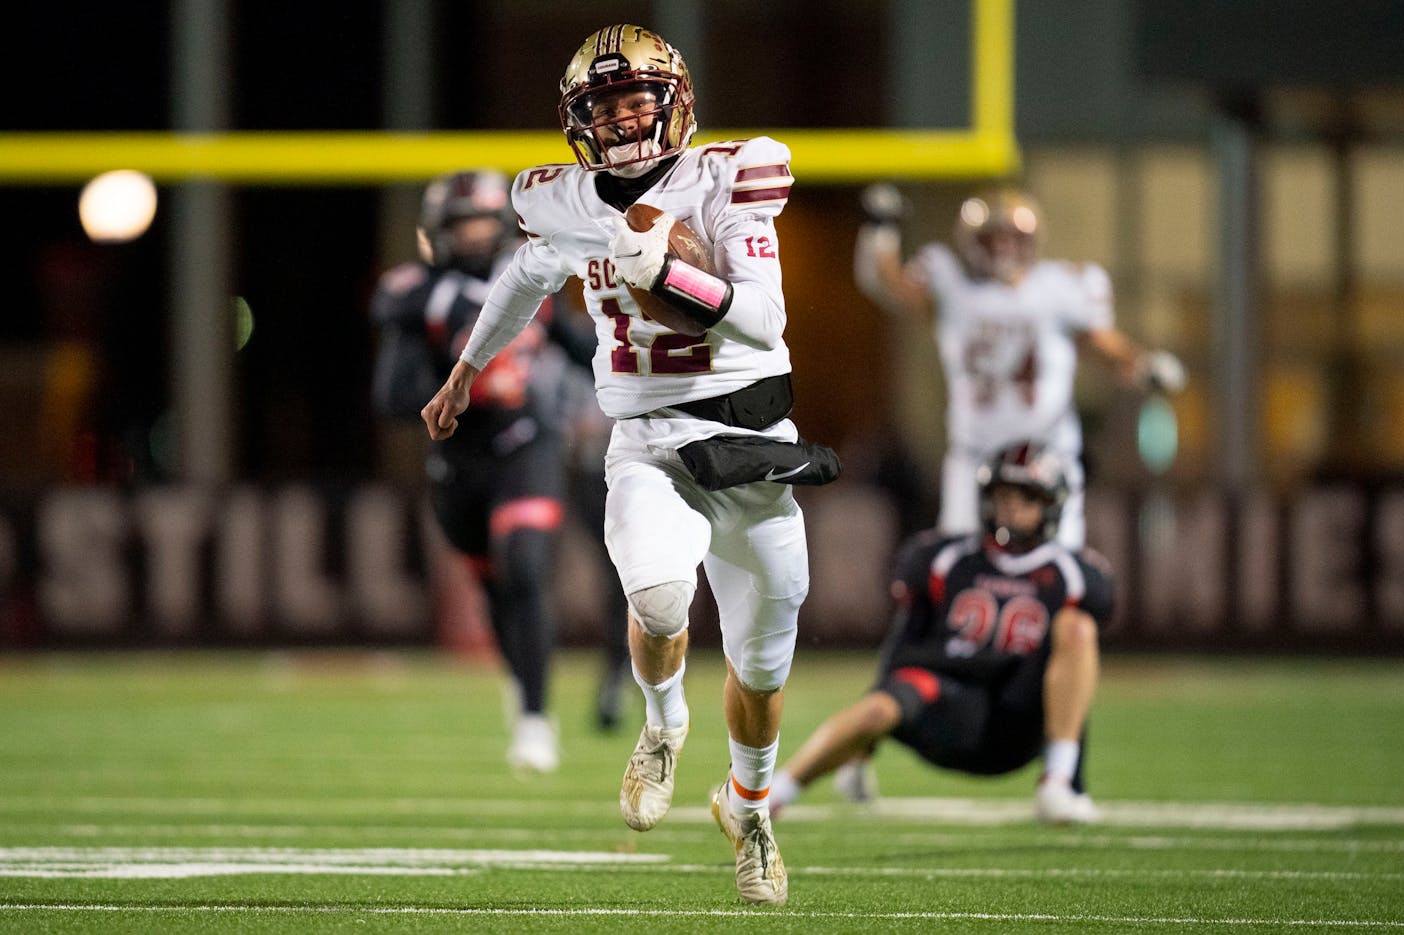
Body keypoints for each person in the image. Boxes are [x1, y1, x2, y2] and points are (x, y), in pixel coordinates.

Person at [419, 24, 838, 905]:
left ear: (674, 101)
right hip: (648, 438)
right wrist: (466, 368)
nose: (620, 119)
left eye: (636, 101)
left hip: (752, 445)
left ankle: (750, 807)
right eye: (602, 107)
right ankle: (661, 725)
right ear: (579, 121)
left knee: (762, 669)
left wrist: (669, 271)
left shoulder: (726, 176)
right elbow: (528, 274)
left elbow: (762, 321)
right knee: (655, 596)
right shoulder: (564, 200)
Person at [767, 441, 1115, 825]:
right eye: (1003, 494)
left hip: (1017, 713)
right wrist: (871, 732)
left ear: (1050, 504)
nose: (1012, 506)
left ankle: (1059, 781)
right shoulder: (948, 558)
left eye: (1027, 496)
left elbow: (1074, 672)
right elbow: (904, 641)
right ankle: (770, 796)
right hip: (948, 694)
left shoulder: (1073, 573)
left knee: (1077, 628)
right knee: (878, 707)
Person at [371, 169, 575, 774]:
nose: (475, 234)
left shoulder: (531, 275)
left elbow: (578, 344)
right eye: (462, 224)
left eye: (484, 220)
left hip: (526, 443)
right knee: (495, 584)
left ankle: (536, 718)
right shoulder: (421, 297)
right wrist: (470, 387)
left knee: (526, 565)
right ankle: (522, 684)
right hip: (459, 459)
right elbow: (391, 395)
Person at [854, 183, 1187, 550]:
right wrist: (880, 232)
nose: (1003, 248)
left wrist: (1139, 362)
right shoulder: (953, 283)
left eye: (1013, 238)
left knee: (1055, 563)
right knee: (963, 564)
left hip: (1046, 451)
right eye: (992, 239)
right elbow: (894, 288)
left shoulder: (1058, 287)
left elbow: (1096, 340)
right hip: (976, 454)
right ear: (970, 241)